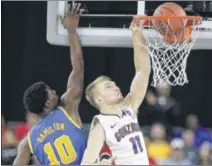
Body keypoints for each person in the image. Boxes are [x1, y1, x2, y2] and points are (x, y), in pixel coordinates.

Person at [13, 3, 86, 165]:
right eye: (50, 92)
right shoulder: (67, 107)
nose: (54, 91)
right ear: (47, 103)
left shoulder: (27, 142)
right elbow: (78, 68)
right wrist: (71, 30)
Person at [81, 21, 151, 165]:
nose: (116, 87)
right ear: (99, 99)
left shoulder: (129, 107)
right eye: (108, 87)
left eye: (114, 84)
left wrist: (137, 34)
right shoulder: (101, 124)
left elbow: (143, 71)